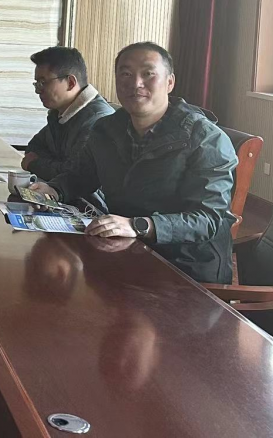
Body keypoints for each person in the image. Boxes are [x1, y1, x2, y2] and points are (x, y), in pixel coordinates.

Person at [38, 42, 238, 284]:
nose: (136, 83)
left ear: (170, 82)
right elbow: (81, 175)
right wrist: (54, 189)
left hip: (186, 269)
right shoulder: (106, 128)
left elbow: (207, 219)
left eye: (148, 73)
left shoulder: (206, 138)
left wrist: (139, 226)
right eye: (125, 74)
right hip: (126, 251)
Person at [22, 46, 114, 180]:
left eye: (43, 82)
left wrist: (34, 164)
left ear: (70, 83)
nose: (38, 90)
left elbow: (75, 176)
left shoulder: (98, 121)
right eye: (37, 83)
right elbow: (34, 147)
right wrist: (56, 165)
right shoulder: (60, 114)